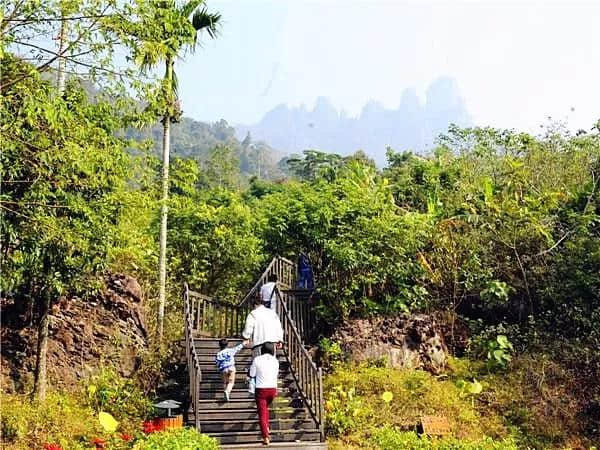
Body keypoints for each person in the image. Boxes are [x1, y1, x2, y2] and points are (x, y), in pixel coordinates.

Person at [249, 342, 279, 446]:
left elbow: (252, 374)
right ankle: (267, 427)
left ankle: (266, 436)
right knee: (265, 410)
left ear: (262, 350)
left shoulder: (257, 360)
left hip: (261, 389)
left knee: (262, 413)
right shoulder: (275, 361)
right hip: (272, 389)